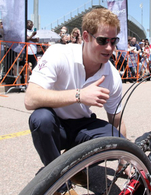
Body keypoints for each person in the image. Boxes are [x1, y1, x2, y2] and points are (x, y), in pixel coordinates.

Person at [24, 8, 126, 194]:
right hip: (56, 125)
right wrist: (79, 95)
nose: (110, 48)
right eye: (102, 40)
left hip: (82, 126)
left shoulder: (112, 75)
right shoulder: (59, 54)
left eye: (114, 41)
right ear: (86, 36)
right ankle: (60, 185)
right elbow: (30, 98)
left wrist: (124, 158)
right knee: (41, 119)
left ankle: (75, 168)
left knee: (117, 141)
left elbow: (116, 118)